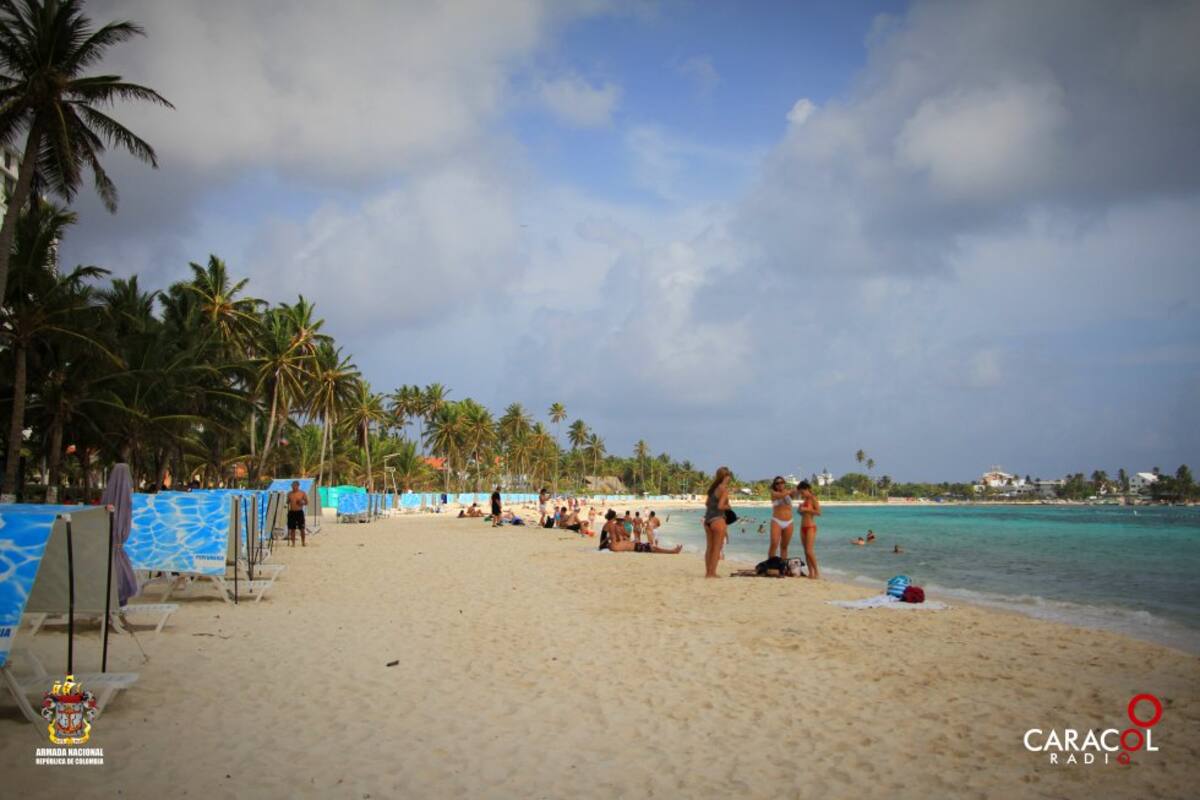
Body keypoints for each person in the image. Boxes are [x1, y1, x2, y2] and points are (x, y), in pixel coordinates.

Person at [703, 467, 732, 578]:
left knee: (709, 547)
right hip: (718, 520)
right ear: (726, 477)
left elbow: (706, 504)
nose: (729, 478)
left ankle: (708, 572)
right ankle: (712, 573)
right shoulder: (723, 489)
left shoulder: (712, 489)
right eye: (728, 476)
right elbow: (720, 506)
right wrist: (728, 506)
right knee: (717, 548)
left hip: (707, 520)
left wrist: (714, 507)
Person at [768, 476, 798, 561]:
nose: (780, 484)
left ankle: (783, 565)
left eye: (782, 482)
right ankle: (771, 564)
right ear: (775, 485)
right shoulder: (773, 493)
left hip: (789, 521)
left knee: (784, 546)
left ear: (784, 483)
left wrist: (795, 490)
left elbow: (795, 494)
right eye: (777, 483)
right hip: (777, 521)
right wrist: (790, 491)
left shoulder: (788, 493)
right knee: (774, 544)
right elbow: (780, 495)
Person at [797, 480, 821, 579]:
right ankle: (810, 573)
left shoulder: (813, 499)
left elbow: (819, 512)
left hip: (811, 527)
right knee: (805, 551)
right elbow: (803, 514)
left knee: (809, 551)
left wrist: (806, 509)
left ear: (807, 489)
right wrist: (800, 511)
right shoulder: (805, 501)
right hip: (803, 527)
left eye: (802, 492)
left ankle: (817, 573)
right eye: (800, 493)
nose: (801, 495)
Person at [286, 480, 308, 547]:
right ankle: (293, 543)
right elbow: (287, 502)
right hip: (292, 512)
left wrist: (302, 502)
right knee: (292, 528)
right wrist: (287, 502)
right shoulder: (289, 493)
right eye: (292, 486)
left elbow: (306, 502)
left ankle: (303, 542)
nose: (293, 487)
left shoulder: (302, 493)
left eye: (294, 486)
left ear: (298, 486)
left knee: (302, 528)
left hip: (299, 512)